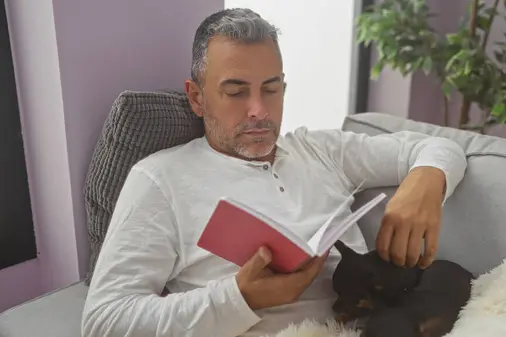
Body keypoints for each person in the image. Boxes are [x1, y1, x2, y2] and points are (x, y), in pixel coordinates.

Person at [81, 7, 467, 337]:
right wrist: (239, 298)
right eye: (235, 92)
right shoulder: (160, 180)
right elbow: (104, 321)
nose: (259, 110)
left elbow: (441, 147)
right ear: (197, 97)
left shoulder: (319, 150)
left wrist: (425, 182)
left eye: (271, 89)